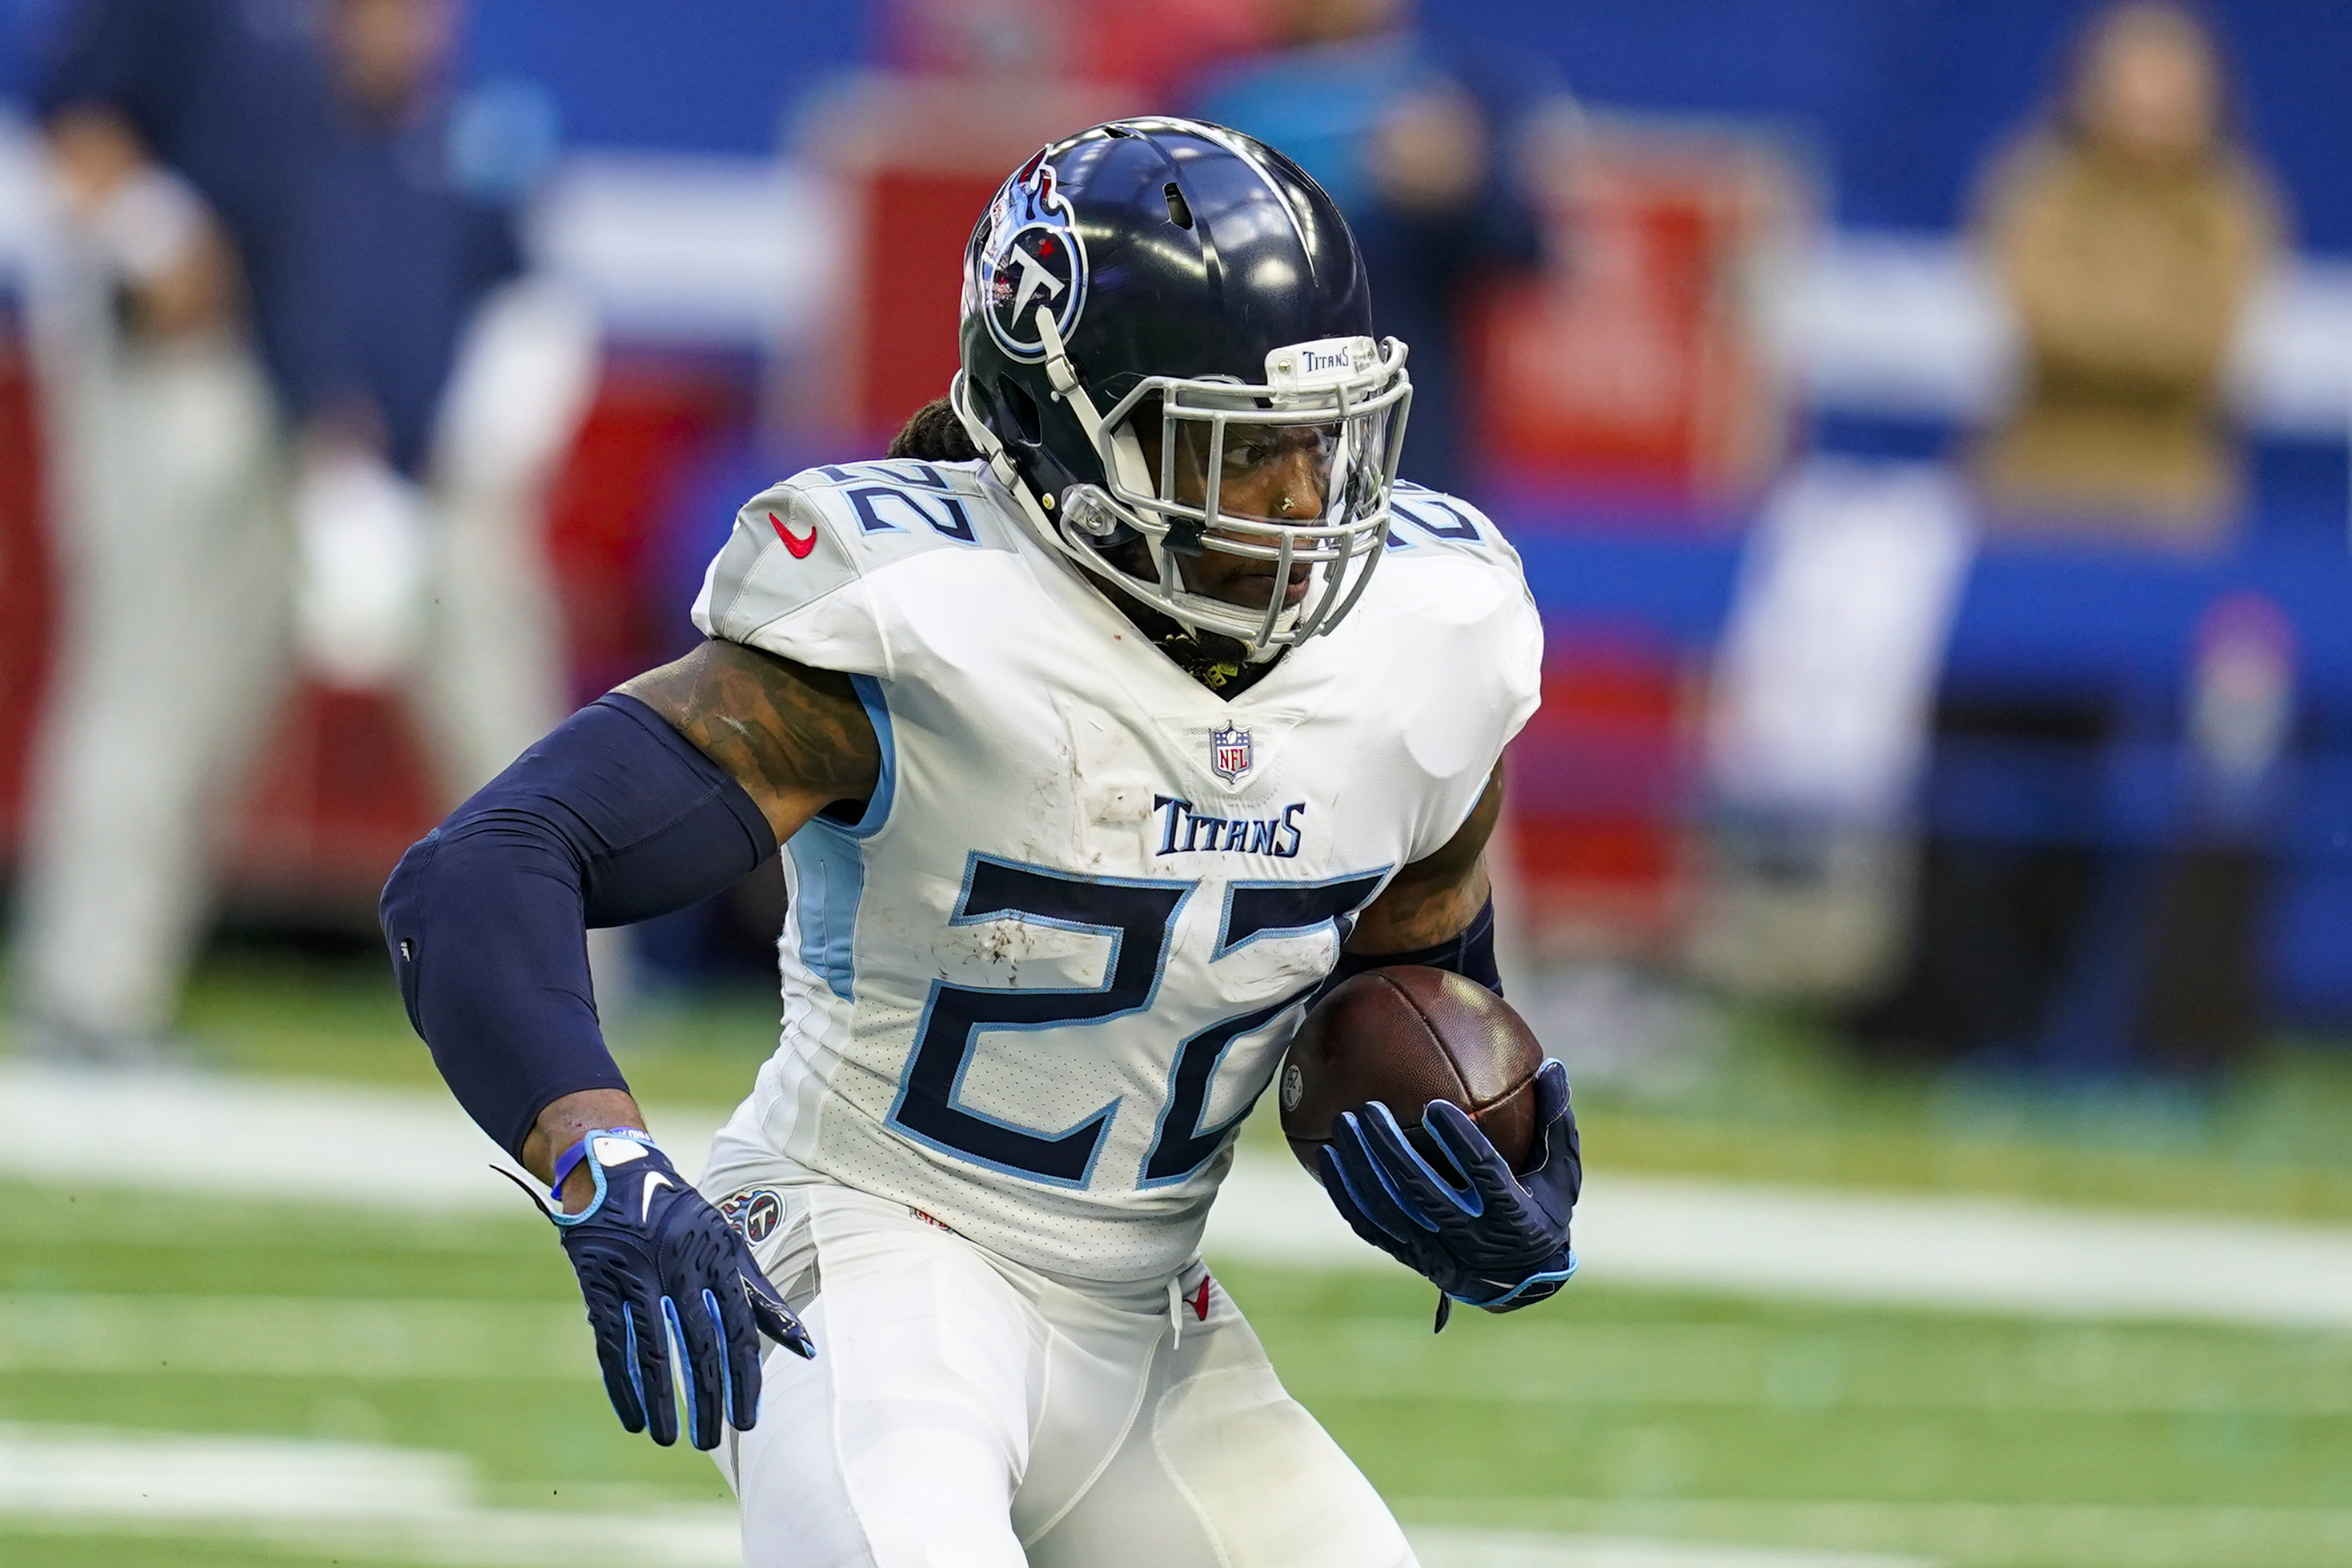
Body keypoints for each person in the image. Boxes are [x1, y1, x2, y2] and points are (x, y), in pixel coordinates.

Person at [382, 118, 1579, 1567]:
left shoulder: (1426, 632)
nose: (1304, 500)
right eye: (1242, 448)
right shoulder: (920, 612)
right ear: (1071, 432)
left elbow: (1402, 989)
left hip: (1144, 1315)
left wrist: (1489, 1168)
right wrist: (603, 1161)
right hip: (870, 1244)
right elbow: (488, 863)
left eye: (1328, 440)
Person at [14, 0, 581, 1060]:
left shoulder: (360, 83)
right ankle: (86, 993)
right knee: (151, 677)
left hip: (267, 372)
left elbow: (306, 206)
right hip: (174, 364)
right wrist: (152, 234)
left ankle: (115, 990)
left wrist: (325, 398)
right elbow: (74, 110)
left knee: (212, 701)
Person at [1192, 0, 1551, 500]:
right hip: (1248, 425)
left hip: (1407, 434)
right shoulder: (1219, 98)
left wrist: (1461, 190)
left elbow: (1528, 249)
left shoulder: (1451, 90)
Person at [1969, 0, 2282, 546]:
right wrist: (2144, 324)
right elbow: (2044, 327)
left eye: (2169, 89)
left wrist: (2106, 320)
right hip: (2036, 489)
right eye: (2137, 85)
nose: (2150, 108)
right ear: (2092, 88)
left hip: (2175, 499)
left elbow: (2202, 347)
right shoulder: (2040, 190)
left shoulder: (2231, 209)